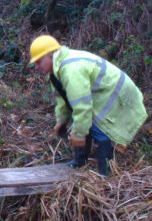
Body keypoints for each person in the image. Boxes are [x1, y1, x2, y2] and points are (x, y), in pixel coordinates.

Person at [29, 35, 148, 174]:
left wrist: (79, 134)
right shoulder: (56, 72)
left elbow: (82, 106)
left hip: (118, 96)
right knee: (81, 121)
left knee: (98, 129)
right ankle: (79, 162)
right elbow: (64, 100)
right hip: (104, 94)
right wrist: (61, 121)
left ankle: (106, 174)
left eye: (38, 61)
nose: (36, 67)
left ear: (50, 55)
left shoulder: (71, 70)